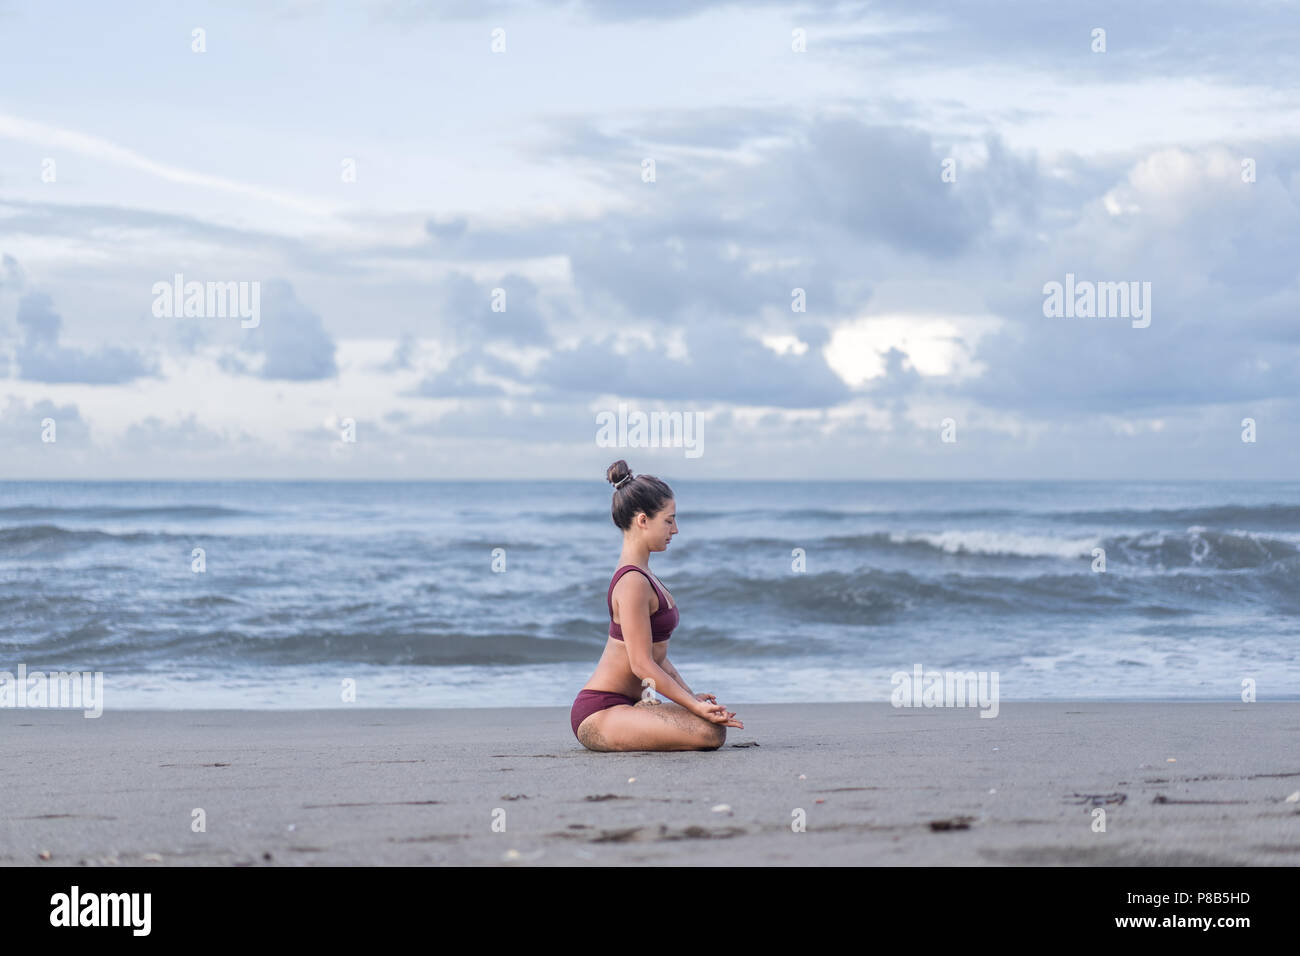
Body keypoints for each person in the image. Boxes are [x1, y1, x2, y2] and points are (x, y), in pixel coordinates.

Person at [570, 459, 743, 751]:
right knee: (709, 734)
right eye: (669, 519)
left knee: (710, 726)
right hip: (600, 711)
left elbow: (658, 658)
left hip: (631, 704)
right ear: (642, 520)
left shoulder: (645, 575)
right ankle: (644, 713)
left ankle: (646, 711)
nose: (675, 529)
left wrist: (692, 698)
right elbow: (641, 664)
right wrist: (690, 706)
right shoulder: (632, 583)